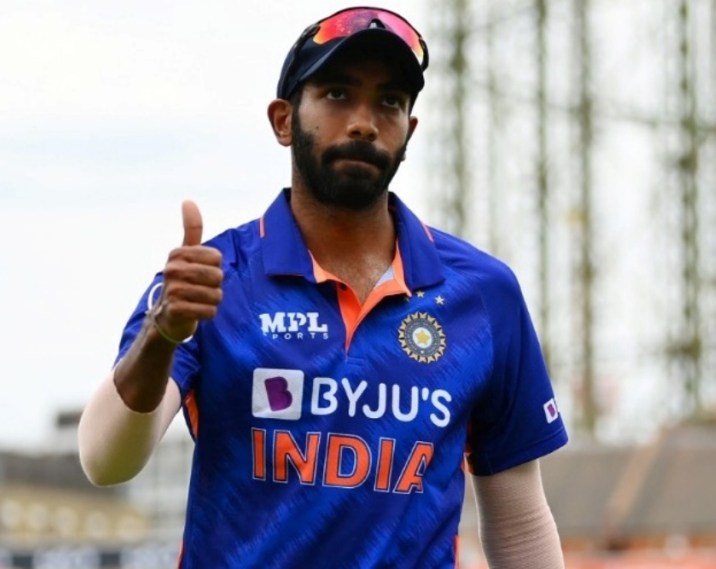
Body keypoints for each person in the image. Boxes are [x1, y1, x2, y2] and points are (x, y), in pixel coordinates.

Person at [78, 6, 568, 568]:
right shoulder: (212, 278)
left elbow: (520, 525)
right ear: (284, 121)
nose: (364, 123)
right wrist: (162, 335)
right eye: (337, 94)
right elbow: (105, 461)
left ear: (409, 131)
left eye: (389, 101)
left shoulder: (482, 294)